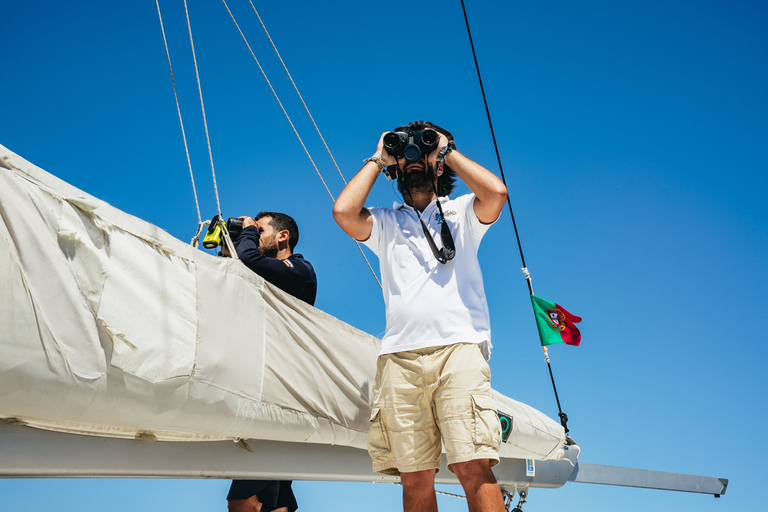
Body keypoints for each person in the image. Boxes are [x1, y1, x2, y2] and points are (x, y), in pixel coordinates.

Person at [332, 121, 508, 512]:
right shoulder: (386, 221)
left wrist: (444, 150)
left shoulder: (462, 212)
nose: (413, 158)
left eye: (423, 149)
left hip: (458, 349)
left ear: (440, 164)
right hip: (400, 357)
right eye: (405, 152)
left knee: (472, 463)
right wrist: (380, 157)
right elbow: (344, 212)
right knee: (413, 475)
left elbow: (496, 193)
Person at [221, 211, 317, 512]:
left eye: (260, 230)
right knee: (274, 503)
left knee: (243, 501)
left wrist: (245, 233)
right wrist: (227, 254)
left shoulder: (300, 269)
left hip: (278, 392)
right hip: (263, 387)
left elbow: (251, 261)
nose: (252, 234)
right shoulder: (259, 274)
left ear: (282, 236)